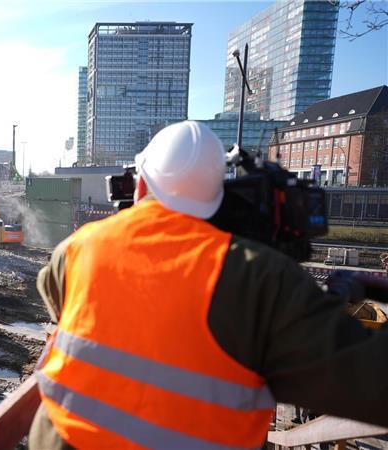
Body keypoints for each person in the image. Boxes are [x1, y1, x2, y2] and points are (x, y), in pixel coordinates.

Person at [29, 121, 388, 449]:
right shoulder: (258, 277)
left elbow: (58, 297)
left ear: (140, 184)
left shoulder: (79, 247)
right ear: (219, 198)